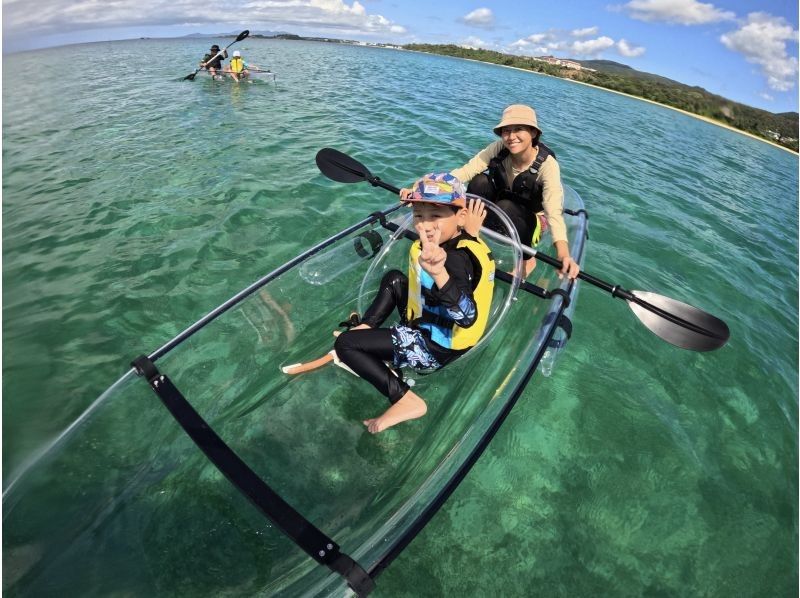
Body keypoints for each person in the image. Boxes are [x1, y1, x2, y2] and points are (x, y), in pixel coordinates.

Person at [334, 173, 494, 434]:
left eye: (436, 216)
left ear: (460, 217)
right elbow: (451, 226)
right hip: (430, 326)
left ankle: (405, 399)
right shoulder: (466, 238)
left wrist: (439, 273)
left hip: (433, 350)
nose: (426, 225)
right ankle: (366, 328)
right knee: (395, 279)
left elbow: (467, 317)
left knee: (345, 344)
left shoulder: (453, 259)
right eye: (419, 216)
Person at [401, 104, 580, 280]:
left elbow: (553, 211)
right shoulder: (498, 148)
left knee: (507, 207)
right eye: (506, 131)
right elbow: (464, 172)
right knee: (479, 181)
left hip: (530, 219)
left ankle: (527, 260)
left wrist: (563, 254)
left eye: (518, 129)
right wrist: (420, 191)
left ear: (533, 133)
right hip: (502, 203)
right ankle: (467, 233)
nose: (511, 137)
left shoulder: (548, 166)